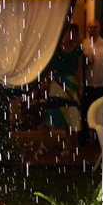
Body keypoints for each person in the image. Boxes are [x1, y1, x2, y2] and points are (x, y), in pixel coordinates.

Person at [40, 21, 83, 155]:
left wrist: (81, 86)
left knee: (70, 115)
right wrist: (46, 82)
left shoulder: (78, 50)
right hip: (56, 84)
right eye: (68, 33)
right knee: (49, 115)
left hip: (70, 84)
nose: (70, 36)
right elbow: (50, 67)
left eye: (73, 33)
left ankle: (68, 145)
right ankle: (43, 145)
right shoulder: (56, 49)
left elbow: (79, 70)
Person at [82, 18, 103, 136]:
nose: (92, 30)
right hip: (88, 83)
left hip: (102, 83)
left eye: (95, 27)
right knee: (86, 110)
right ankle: (85, 136)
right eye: (90, 27)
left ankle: (98, 136)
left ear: (99, 29)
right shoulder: (84, 44)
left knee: (100, 112)